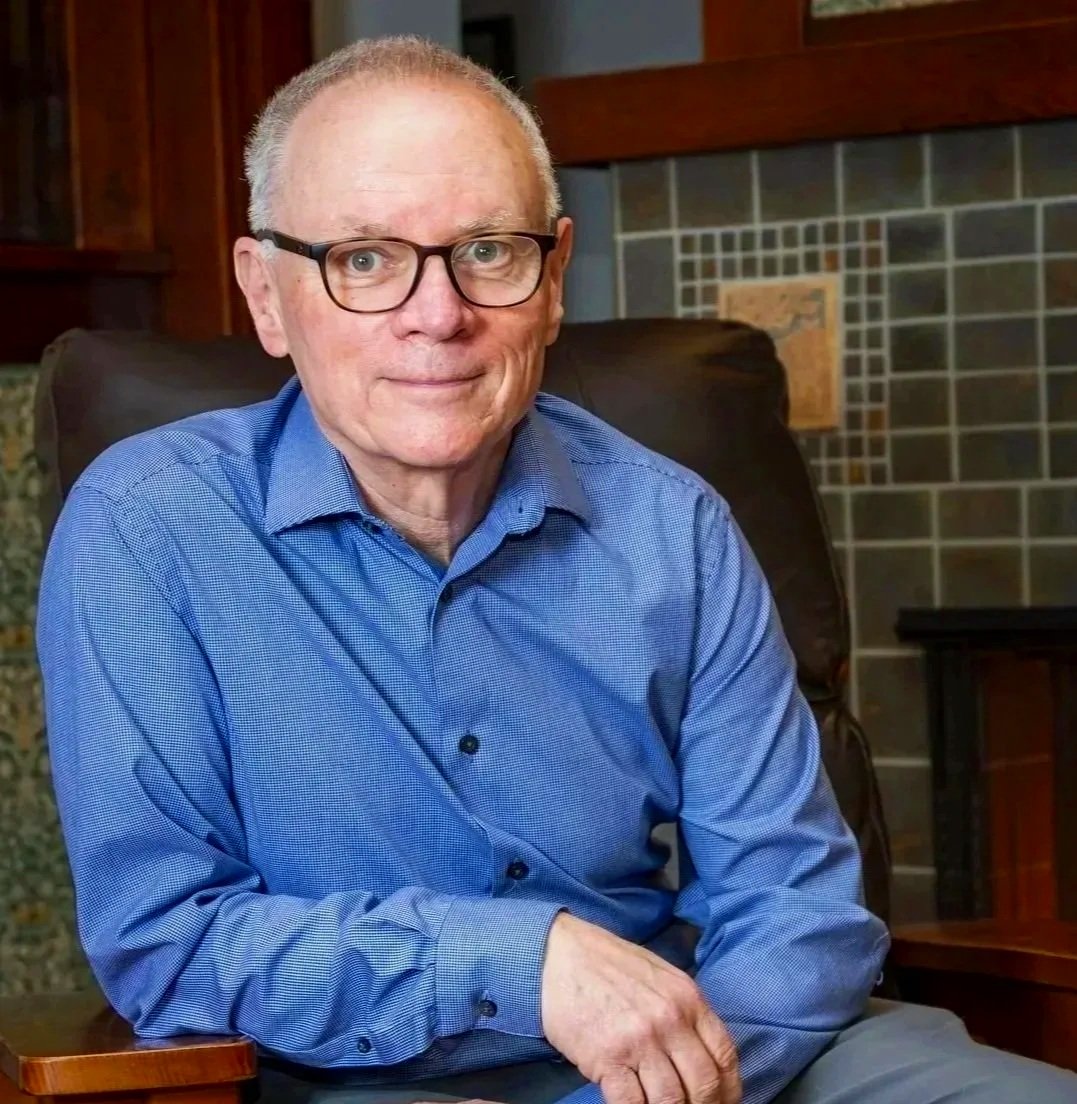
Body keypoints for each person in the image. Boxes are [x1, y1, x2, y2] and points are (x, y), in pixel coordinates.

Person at [37, 35, 1076, 1104]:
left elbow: (795, 910)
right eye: (364, 260)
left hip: (707, 1059)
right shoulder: (147, 527)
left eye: (487, 251)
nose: (437, 315)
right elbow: (168, 945)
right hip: (356, 1079)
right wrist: (521, 963)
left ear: (554, 277)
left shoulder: (676, 528)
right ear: (265, 293)